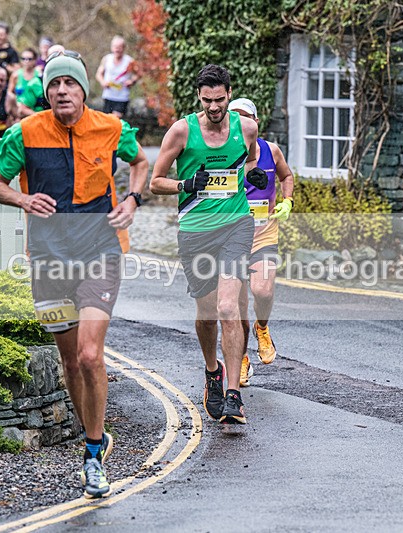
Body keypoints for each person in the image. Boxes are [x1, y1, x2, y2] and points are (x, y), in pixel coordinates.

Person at [0, 49, 149, 498]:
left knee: (91, 355)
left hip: (101, 250)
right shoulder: (25, 132)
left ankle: (93, 455)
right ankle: (93, 436)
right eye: (54, 84)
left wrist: (133, 200)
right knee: (69, 361)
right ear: (46, 91)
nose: (62, 90)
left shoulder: (111, 128)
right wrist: (22, 199)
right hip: (48, 258)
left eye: (70, 84)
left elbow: (139, 164)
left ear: (83, 90)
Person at [149, 64, 268, 425]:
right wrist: (187, 184)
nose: (214, 108)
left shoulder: (246, 127)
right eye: (207, 101)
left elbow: (248, 160)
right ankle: (212, 370)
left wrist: (253, 174)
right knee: (207, 313)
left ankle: (233, 395)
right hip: (196, 231)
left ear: (230, 95)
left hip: (236, 225)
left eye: (219, 100)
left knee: (229, 307)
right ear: (198, 98)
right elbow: (155, 182)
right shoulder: (181, 131)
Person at [226, 98, 294, 387]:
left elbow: (287, 175)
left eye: (245, 118)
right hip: (230, 237)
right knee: (236, 305)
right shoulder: (222, 154)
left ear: (256, 122)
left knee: (262, 290)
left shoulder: (271, 150)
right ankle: (241, 359)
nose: (240, 124)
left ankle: (262, 327)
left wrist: (287, 201)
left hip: (264, 233)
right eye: (234, 119)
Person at [95, 36, 139, 118]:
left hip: (122, 97)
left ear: (124, 48)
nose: (117, 49)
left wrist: (131, 81)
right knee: (107, 120)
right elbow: (98, 74)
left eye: (119, 47)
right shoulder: (106, 59)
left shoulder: (130, 61)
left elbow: (138, 74)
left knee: (116, 118)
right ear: (111, 47)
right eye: (115, 47)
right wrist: (103, 82)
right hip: (108, 95)